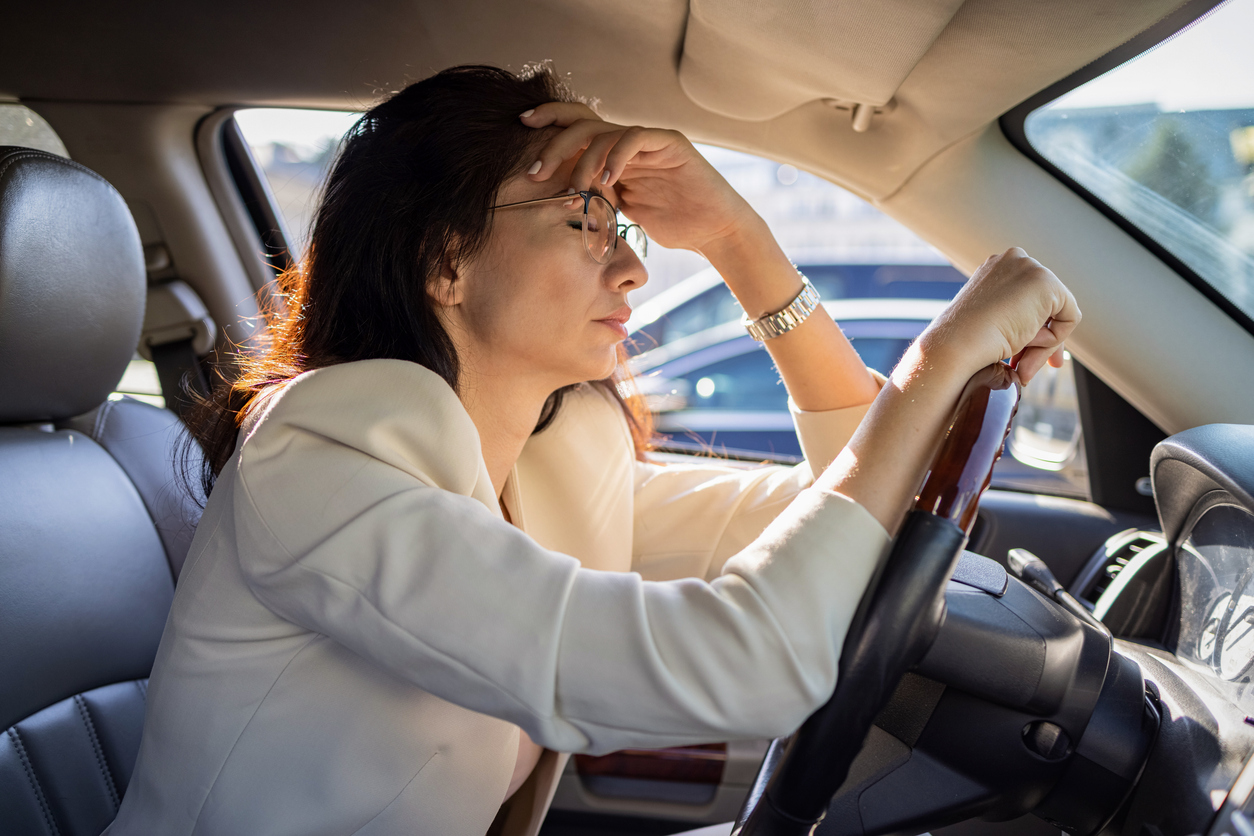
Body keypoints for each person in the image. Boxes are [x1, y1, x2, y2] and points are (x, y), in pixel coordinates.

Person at [105, 65, 1078, 836]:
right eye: (582, 223)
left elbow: (847, 514)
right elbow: (746, 658)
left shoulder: (549, 462)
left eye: (621, 225)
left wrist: (741, 240)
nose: (634, 263)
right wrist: (939, 360)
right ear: (445, 258)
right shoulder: (321, 454)